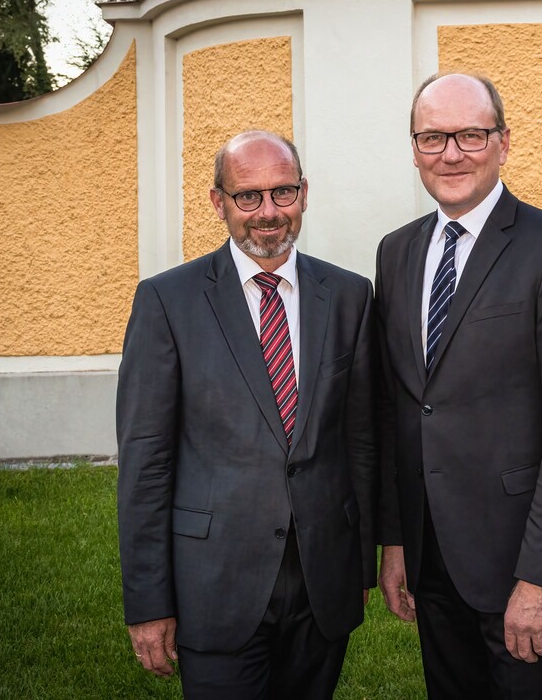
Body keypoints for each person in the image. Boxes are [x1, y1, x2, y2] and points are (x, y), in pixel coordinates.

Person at [116, 129, 377, 699]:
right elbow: (145, 465)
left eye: (283, 192)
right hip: (214, 582)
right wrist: (149, 601)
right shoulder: (167, 301)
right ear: (219, 202)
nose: (268, 212)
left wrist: (359, 568)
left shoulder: (350, 296)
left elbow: (358, 443)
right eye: (248, 196)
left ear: (303, 193)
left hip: (321, 581)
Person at [375, 72, 542, 699]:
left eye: (470, 135)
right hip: (432, 557)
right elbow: (399, 408)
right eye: (432, 138)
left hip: (519, 560)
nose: (451, 153)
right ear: (415, 148)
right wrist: (396, 539)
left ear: (504, 142)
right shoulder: (396, 253)